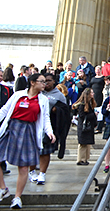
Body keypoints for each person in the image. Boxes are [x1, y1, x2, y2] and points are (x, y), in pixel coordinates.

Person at [0, 73, 56, 209]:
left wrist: (49, 131)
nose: (45, 84)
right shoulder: (18, 95)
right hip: (12, 128)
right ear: (32, 82)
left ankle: (17, 197)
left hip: (28, 130)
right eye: (41, 81)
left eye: (45, 82)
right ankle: (3, 188)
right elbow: (4, 110)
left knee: (24, 166)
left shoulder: (43, 100)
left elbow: (45, 117)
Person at [29, 73, 68, 185]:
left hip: (49, 126)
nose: (46, 83)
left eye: (48, 81)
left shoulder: (59, 95)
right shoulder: (37, 92)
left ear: (54, 82)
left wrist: (57, 110)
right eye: (43, 81)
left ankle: (42, 174)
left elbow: (65, 112)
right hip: (34, 125)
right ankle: (32, 171)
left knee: (45, 152)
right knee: (33, 151)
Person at [73, 88, 97, 166]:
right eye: (92, 92)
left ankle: (85, 158)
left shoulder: (89, 104)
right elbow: (82, 116)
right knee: (82, 144)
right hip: (84, 126)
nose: (93, 94)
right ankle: (81, 159)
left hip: (87, 126)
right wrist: (94, 115)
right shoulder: (82, 105)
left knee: (87, 143)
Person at [91, 66, 105, 133]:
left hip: (100, 94)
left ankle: (99, 127)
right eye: (96, 70)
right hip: (93, 95)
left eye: (98, 70)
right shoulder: (93, 78)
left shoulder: (103, 78)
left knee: (99, 110)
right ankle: (93, 125)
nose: (97, 71)